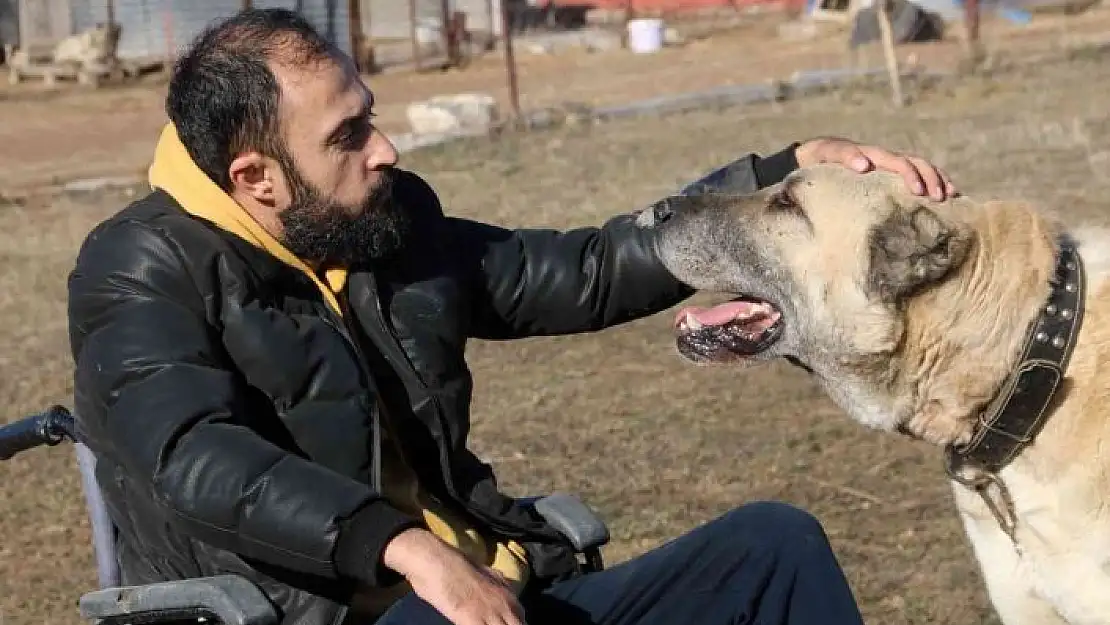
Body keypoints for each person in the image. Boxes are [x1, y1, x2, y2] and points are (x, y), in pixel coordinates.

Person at [66, 8, 955, 625]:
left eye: (368, 116)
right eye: (347, 137)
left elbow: (579, 271)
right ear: (255, 178)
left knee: (774, 548)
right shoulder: (138, 268)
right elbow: (198, 456)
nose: (386, 148)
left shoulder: (378, 220)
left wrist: (777, 173)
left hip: (490, 594)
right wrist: (408, 549)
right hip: (326, 610)